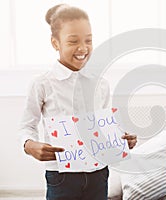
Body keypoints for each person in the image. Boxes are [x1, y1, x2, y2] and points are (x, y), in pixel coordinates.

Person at [19, 4, 137, 200]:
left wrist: (122, 139)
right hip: (61, 175)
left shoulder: (101, 84)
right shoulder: (43, 84)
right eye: (73, 41)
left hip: (99, 173)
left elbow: (104, 125)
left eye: (88, 40)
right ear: (55, 43)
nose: (83, 48)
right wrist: (29, 145)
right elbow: (26, 126)